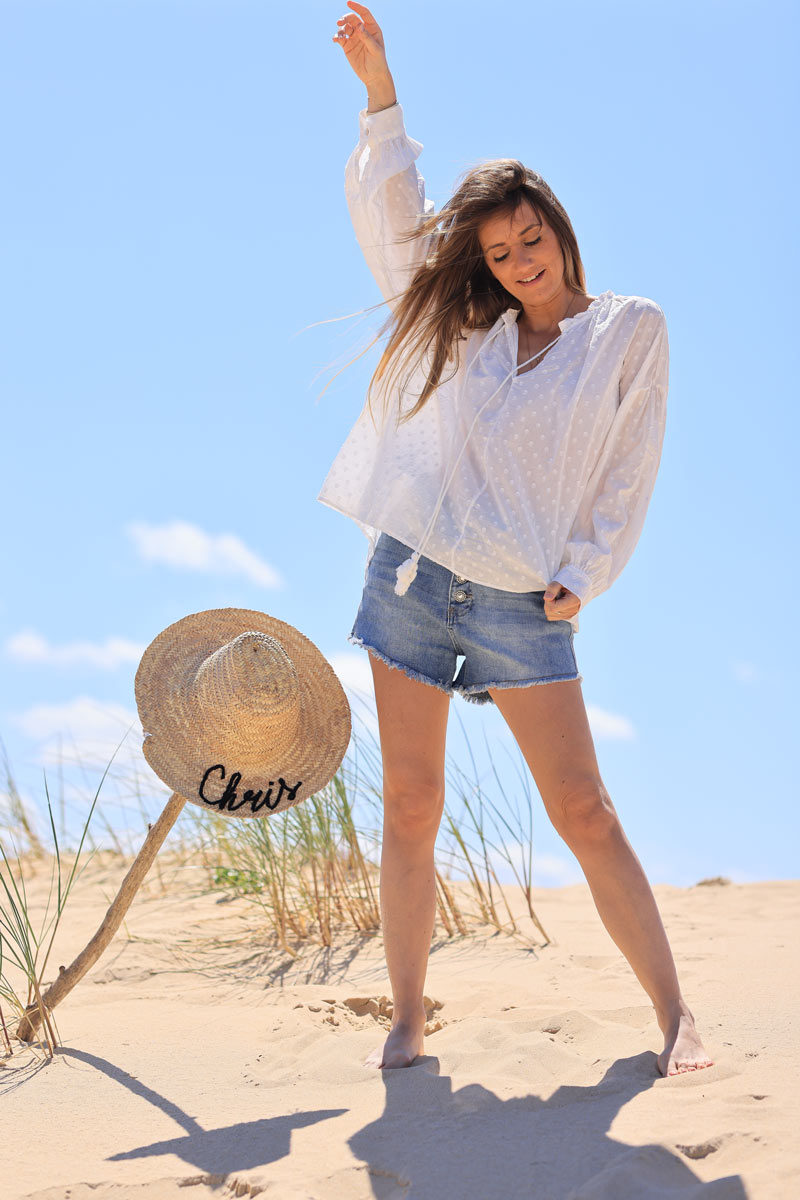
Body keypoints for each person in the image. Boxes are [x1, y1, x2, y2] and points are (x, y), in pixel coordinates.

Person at [320, 1, 713, 1078]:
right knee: (411, 803)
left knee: (582, 808)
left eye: (529, 239)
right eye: (496, 252)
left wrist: (585, 575)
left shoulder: (626, 331)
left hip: (522, 601)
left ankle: (675, 1018)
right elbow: (395, 225)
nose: (517, 262)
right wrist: (379, 93)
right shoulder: (471, 329)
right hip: (411, 574)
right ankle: (407, 1019)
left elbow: (630, 466)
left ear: (558, 229)